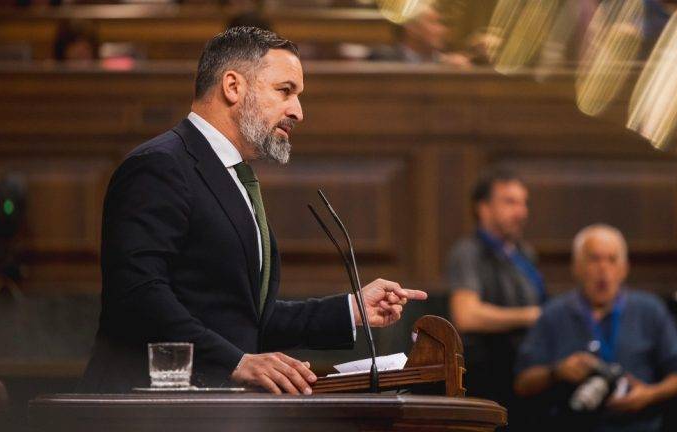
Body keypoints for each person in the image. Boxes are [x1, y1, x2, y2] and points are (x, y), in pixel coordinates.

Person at [79, 27, 427, 394]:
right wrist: (236, 362)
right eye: (285, 91)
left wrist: (350, 310)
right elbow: (137, 296)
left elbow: (241, 317)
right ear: (233, 86)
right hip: (142, 410)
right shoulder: (160, 165)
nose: (298, 111)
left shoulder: (232, 176)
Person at [514, 224, 677, 432]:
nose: (603, 269)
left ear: (624, 269)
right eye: (594, 259)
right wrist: (556, 373)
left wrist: (649, 394)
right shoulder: (553, 314)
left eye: (612, 260)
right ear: (576, 267)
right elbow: (521, 384)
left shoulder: (650, 310)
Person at [447, 169, 545, 410]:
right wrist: (531, 316)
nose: (521, 212)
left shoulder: (524, 253)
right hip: (487, 379)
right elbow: (466, 316)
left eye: (524, 203)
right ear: (483, 208)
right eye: (510, 202)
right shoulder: (468, 252)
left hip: (523, 375)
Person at [368, 5, 470, 66]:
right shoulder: (384, 58)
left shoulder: (450, 63)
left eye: (441, 23)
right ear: (411, 28)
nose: (442, 30)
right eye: (433, 22)